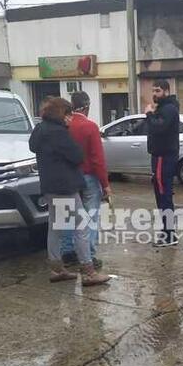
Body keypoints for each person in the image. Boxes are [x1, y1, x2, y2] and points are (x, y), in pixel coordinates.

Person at [29, 97, 110, 286]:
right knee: (81, 226)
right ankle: (89, 272)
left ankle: (56, 268)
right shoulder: (59, 132)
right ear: (61, 114)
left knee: (56, 227)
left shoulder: (40, 129)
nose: (70, 119)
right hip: (65, 187)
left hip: (49, 187)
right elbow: (77, 156)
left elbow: (33, 147)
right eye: (68, 115)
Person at [61, 91, 112, 270]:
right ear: (87, 106)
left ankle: (67, 253)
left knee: (67, 214)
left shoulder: (63, 125)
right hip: (88, 178)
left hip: (67, 177)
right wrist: (105, 185)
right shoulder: (90, 126)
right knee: (90, 217)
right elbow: (97, 159)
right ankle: (88, 256)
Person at [144, 79, 180, 247]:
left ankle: (169, 235)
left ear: (166, 91)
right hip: (160, 157)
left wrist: (149, 114)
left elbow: (158, 128)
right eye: (153, 91)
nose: (154, 94)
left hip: (163, 158)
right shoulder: (164, 108)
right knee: (161, 195)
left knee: (164, 196)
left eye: (157, 91)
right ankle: (167, 232)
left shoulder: (169, 109)